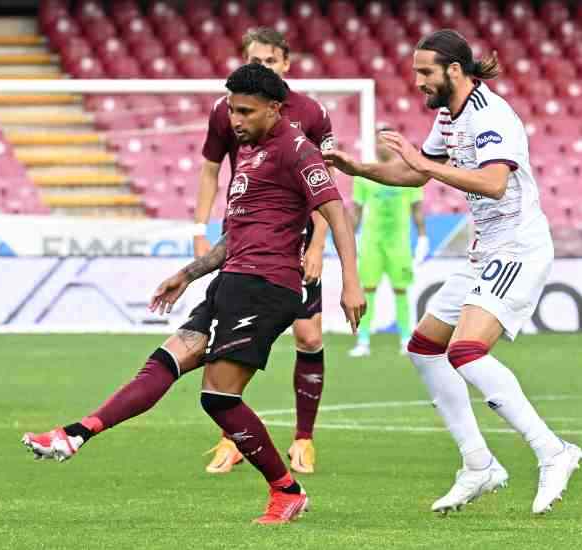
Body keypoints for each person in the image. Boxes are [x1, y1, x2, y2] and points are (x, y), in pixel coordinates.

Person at [23, 64, 366, 524]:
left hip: (266, 286)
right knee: (165, 360)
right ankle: (75, 434)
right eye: (231, 110)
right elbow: (236, 237)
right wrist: (188, 274)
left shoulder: (297, 150)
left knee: (218, 397)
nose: (235, 120)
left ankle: (286, 491)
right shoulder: (249, 152)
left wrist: (351, 280)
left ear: (274, 108)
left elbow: (336, 211)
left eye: (245, 111)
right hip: (233, 280)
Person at [323, 29, 580, 515]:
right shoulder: (448, 114)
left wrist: (426, 165)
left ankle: (553, 451)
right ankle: (478, 463)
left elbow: (494, 183)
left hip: (518, 248)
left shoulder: (491, 116)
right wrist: (356, 168)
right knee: (423, 347)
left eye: (425, 72)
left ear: (454, 71)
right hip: (486, 250)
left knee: (465, 350)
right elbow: (416, 172)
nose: (418, 81)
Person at [194, 27, 338, 475]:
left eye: (270, 61)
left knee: (309, 337)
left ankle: (304, 438)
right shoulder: (228, 110)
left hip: (295, 238)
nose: (263, 68)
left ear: (286, 63)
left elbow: (326, 187)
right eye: (255, 59)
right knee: (232, 341)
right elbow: (210, 171)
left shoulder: (311, 113)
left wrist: (317, 244)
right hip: (244, 237)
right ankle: (230, 439)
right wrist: (200, 228)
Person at [349, 129, 428, 357]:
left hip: (399, 243)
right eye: (376, 142)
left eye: (382, 142)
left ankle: (405, 340)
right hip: (371, 242)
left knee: (401, 290)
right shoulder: (364, 173)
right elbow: (356, 209)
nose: (378, 147)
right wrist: (349, 238)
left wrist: (422, 237)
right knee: (367, 291)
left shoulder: (409, 173)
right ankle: (363, 341)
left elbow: (417, 209)